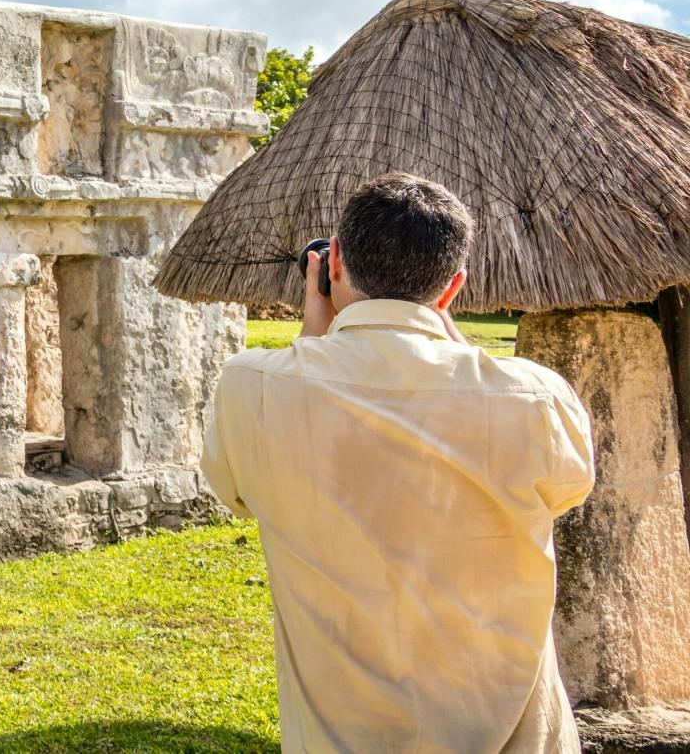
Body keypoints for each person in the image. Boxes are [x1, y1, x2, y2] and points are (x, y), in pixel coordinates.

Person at [202, 172, 595, 752]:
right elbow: (568, 489)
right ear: (452, 288)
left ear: (332, 263)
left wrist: (314, 344)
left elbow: (234, 493)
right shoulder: (536, 398)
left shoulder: (250, 387)